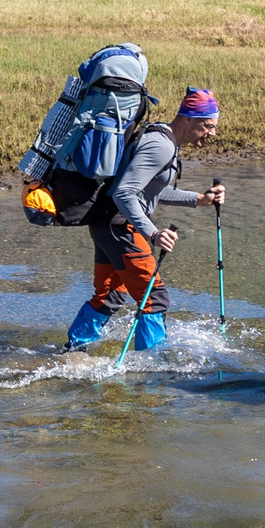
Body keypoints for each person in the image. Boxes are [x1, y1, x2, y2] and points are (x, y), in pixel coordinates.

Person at [67, 87, 229, 351]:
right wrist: (153, 233)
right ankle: (152, 370)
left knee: (111, 293)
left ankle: (72, 351)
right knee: (154, 298)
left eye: (214, 127)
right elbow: (125, 192)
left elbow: (149, 189)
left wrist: (198, 199)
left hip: (106, 223)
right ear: (187, 119)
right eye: (207, 126)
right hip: (121, 226)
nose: (212, 133)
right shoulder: (161, 145)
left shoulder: (162, 137)